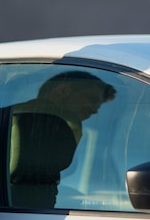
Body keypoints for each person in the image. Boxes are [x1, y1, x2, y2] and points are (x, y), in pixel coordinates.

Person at [8, 71, 116, 207]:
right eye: (92, 100)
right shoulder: (59, 124)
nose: (95, 110)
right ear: (63, 90)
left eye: (98, 105)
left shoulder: (8, 115)